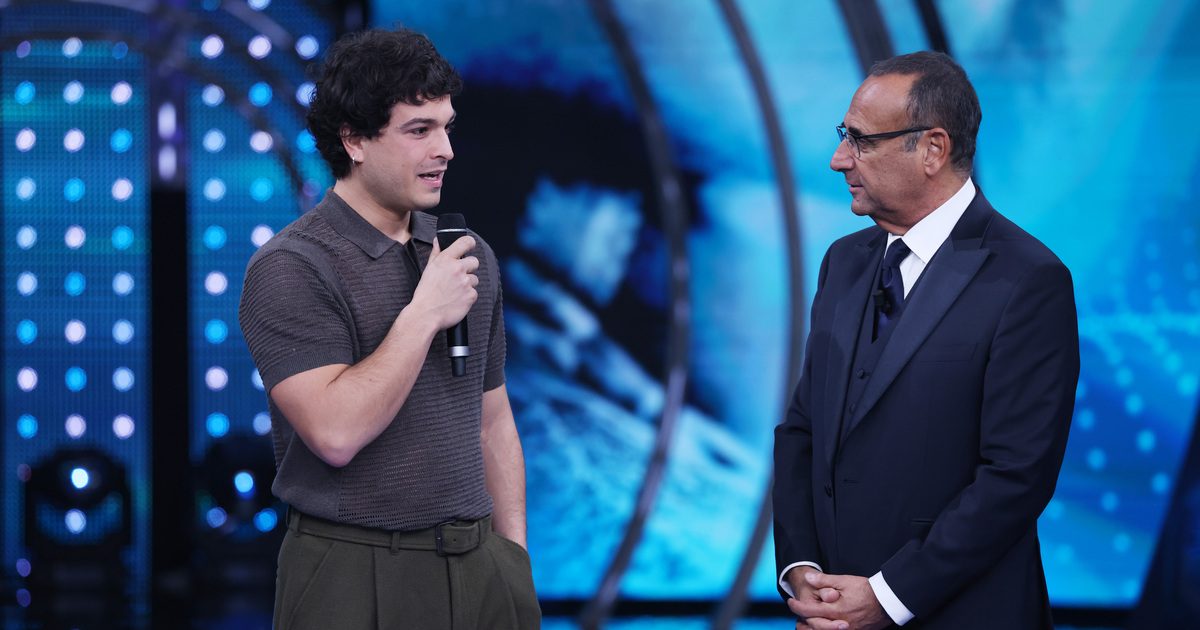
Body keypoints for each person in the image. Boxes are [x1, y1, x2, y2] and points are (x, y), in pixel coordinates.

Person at [238, 28, 539, 629]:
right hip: (351, 570)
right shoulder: (292, 266)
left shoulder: (464, 253)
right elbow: (335, 432)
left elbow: (492, 419)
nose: (446, 149)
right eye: (419, 130)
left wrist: (514, 561)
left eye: (447, 126)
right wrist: (425, 312)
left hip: (481, 569)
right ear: (353, 140)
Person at [772, 51, 1079, 630]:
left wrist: (889, 597)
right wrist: (802, 567)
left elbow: (1016, 476)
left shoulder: (1028, 279)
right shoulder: (843, 262)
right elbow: (802, 431)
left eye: (860, 141)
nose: (840, 159)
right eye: (844, 136)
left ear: (932, 149)